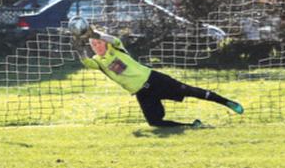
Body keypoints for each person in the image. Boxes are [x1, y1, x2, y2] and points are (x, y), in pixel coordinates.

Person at [75, 25, 244, 127]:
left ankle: (227, 102)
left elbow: (112, 38)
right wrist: (78, 44)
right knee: (154, 122)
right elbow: (85, 60)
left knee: (190, 91)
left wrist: (94, 33)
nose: (97, 46)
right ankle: (192, 126)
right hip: (142, 93)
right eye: (93, 45)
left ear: (104, 43)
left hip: (154, 80)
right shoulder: (98, 61)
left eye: (98, 43)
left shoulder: (116, 48)